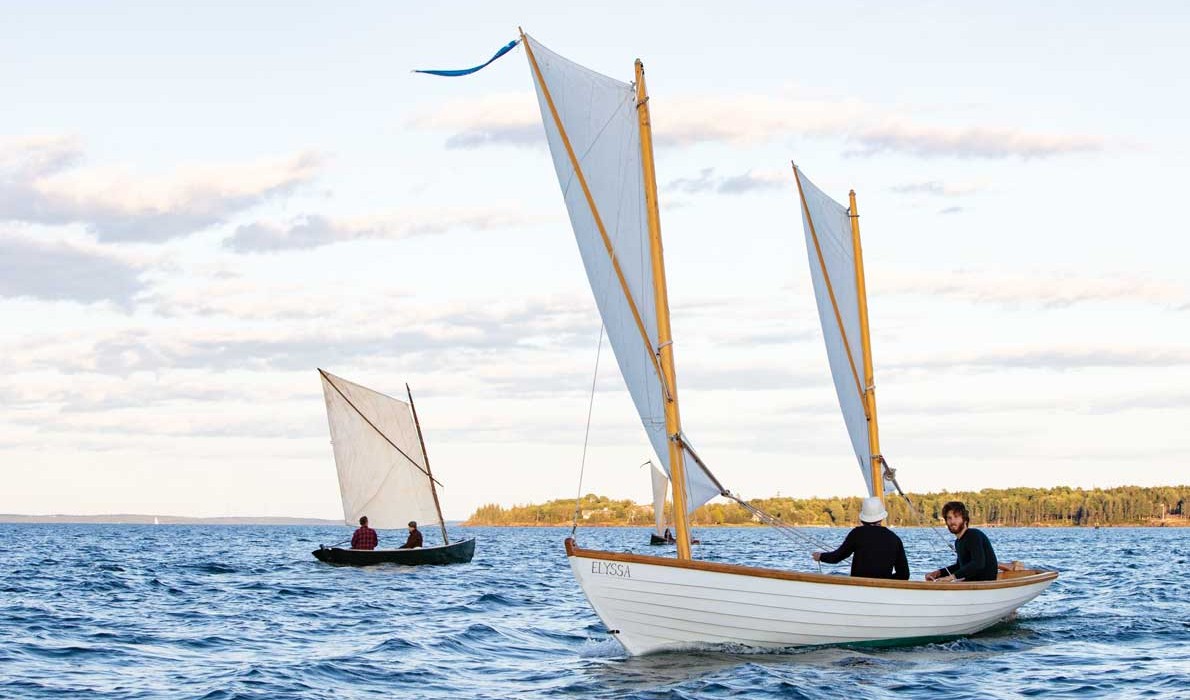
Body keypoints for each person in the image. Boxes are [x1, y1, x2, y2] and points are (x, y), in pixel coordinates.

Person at [812, 496, 909, 580]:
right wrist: (885, 580)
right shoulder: (895, 539)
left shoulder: (857, 534)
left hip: (858, 587)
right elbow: (904, 575)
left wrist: (821, 556)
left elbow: (837, 557)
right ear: (881, 518)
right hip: (883, 590)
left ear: (863, 519)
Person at [925, 501, 999, 582]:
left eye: (956, 517)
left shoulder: (973, 535)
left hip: (984, 584)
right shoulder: (958, 541)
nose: (952, 521)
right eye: (949, 518)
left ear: (964, 519)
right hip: (971, 583)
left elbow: (978, 564)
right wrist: (938, 573)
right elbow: (960, 566)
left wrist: (950, 578)